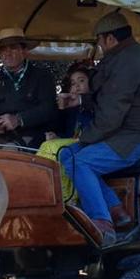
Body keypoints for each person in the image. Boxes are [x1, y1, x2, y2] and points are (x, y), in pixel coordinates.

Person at [57, 12, 140, 246]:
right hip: (124, 133)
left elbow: (111, 114)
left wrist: (85, 139)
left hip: (139, 139)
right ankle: (117, 211)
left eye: (99, 40)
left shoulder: (128, 62)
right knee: (67, 154)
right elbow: (106, 100)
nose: (98, 45)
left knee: (80, 161)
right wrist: (78, 102)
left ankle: (102, 223)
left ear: (109, 39)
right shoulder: (124, 57)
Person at [0, 27, 57, 147]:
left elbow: (48, 109)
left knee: (9, 151)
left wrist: (18, 119)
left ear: (24, 51)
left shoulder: (42, 76)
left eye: (13, 48)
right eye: (3, 49)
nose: (8, 53)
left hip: (32, 136)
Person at [38, 64, 95, 202]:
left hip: (93, 143)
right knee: (51, 144)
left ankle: (62, 198)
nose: (76, 87)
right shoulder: (73, 110)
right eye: (73, 83)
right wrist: (61, 111)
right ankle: (45, 191)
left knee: (51, 148)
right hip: (75, 145)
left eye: (81, 81)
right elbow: (67, 134)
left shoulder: (96, 104)